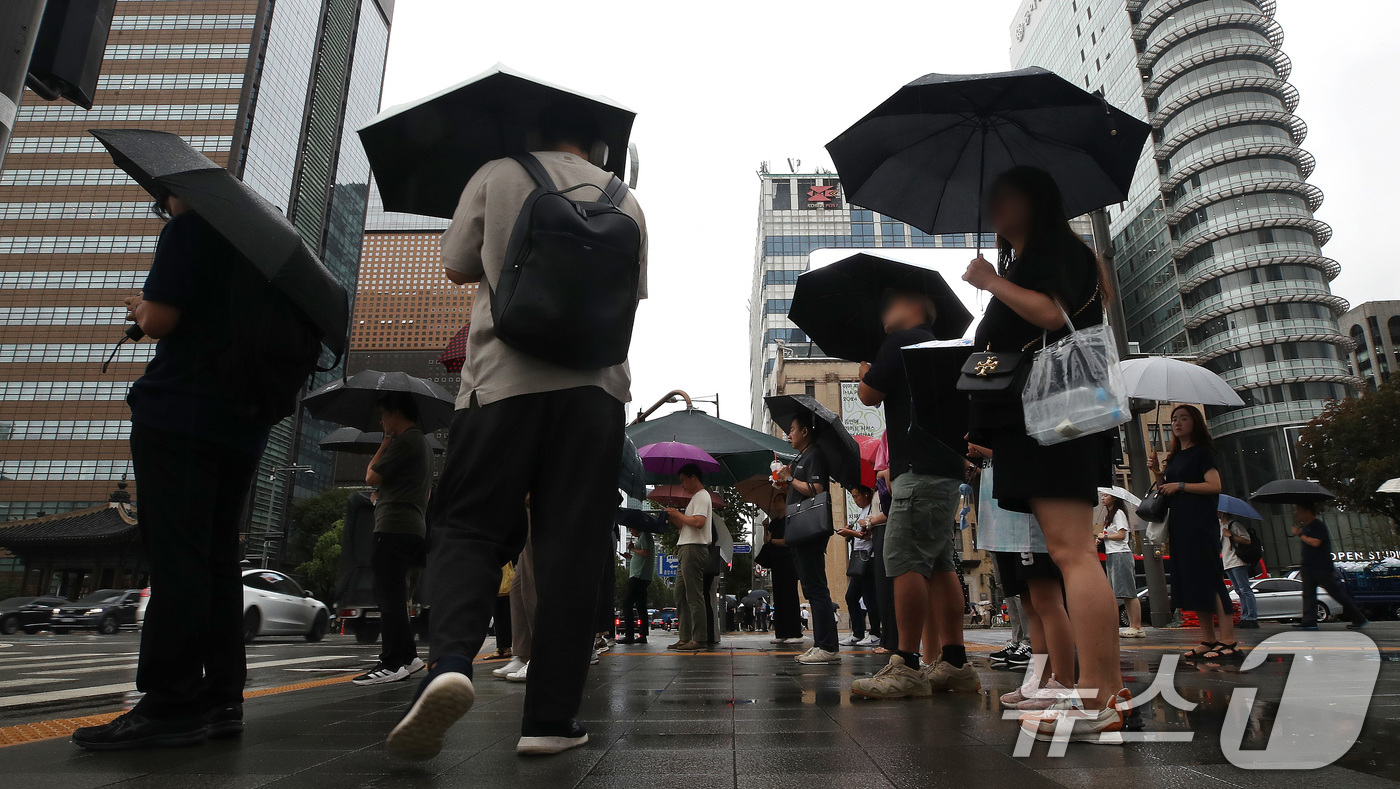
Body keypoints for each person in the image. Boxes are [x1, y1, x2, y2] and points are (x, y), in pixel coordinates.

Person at [387, 104, 647, 760]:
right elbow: (630, 296)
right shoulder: (629, 202)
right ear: (596, 142)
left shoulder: (498, 173)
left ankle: (449, 660)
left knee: (470, 527)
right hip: (596, 395)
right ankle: (551, 720)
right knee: (572, 550)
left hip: (502, 385)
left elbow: (454, 263)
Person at [73, 191, 271, 751]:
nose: (164, 201)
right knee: (215, 559)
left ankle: (169, 703)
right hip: (242, 425)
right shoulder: (256, 252)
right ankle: (221, 699)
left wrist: (141, 309)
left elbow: (161, 319)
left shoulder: (190, 231)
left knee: (177, 556)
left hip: (181, 414)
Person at [962, 166, 1127, 740]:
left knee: (1074, 553)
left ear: (1036, 200)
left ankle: (1101, 696)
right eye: (992, 199)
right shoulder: (1025, 264)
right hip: (1032, 424)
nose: (994, 208)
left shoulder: (1060, 254)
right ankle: (1091, 692)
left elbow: (1052, 315)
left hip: (1055, 420)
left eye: (1005, 196)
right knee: (1067, 554)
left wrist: (989, 282)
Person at [851, 291, 977, 699]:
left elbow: (869, 394)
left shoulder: (903, 342)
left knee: (904, 557)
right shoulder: (939, 351)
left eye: (894, 304)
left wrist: (865, 373)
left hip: (917, 470)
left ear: (920, 309)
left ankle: (905, 663)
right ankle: (955, 662)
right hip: (944, 468)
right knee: (940, 563)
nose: (887, 311)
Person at [354, 392, 433, 686]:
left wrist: (385, 443)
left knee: (388, 597)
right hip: (411, 527)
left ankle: (392, 662)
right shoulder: (421, 443)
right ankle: (409, 657)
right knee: (397, 595)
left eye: (384, 415)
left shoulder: (407, 441)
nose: (381, 421)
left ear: (396, 413)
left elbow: (371, 477)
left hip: (394, 528)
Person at [1149, 405, 1236, 660]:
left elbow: (1215, 485)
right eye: (1174, 419)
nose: (1177, 423)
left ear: (1195, 422)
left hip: (1200, 523)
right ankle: (1208, 639)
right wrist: (1157, 472)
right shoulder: (1175, 456)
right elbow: (1165, 490)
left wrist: (1181, 485)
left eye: (1183, 418)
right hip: (1180, 525)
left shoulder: (1202, 453)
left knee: (1210, 579)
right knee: (1193, 581)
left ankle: (1228, 639)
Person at [778, 412, 841, 664]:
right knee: (813, 588)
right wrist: (786, 484)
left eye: (792, 429)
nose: (789, 434)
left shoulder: (814, 455)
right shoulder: (803, 457)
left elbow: (817, 489)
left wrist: (790, 478)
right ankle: (824, 644)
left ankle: (827, 646)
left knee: (816, 588)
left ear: (805, 431)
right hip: (800, 532)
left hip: (809, 532)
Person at [1292, 502, 1367, 631]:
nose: (1296, 514)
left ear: (1308, 511)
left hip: (1321, 567)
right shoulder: (1306, 527)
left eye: (1299, 510)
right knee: (1308, 594)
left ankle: (1358, 617)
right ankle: (1309, 621)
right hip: (1308, 567)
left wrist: (1300, 535)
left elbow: (1316, 542)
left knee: (1335, 592)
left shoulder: (1318, 526)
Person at [665, 464, 712, 652]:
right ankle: (685, 637)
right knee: (680, 595)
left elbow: (699, 522)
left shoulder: (702, 496)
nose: (682, 484)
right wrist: (675, 517)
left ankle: (699, 638)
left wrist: (678, 514)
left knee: (693, 595)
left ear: (694, 477)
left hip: (694, 549)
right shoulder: (695, 498)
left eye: (684, 480)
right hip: (686, 547)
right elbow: (686, 527)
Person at [839, 484, 882, 647]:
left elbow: (869, 536)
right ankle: (858, 632)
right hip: (859, 558)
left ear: (866, 494)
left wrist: (850, 533)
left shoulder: (873, 509)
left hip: (869, 558)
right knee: (851, 596)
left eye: (857, 496)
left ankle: (875, 633)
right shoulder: (863, 511)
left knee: (870, 597)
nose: (855, 500)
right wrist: (850, 531)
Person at [1100, 492, 1144, 637]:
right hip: (1112, 554)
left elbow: (1121, 535)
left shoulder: (1119, 513)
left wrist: (1105, 536)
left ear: (1114, 497)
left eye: (1106, 495)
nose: (1103, 498)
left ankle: (1137, 626)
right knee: (1124, 593)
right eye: (1102, 495)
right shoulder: (1109, 515)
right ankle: (1133, 626)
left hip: (1121, 554)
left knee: (1129, 591)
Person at [761, 515, 804, 646]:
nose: (775, 503)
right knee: (778, 598)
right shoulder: (774, 522)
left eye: (778, 500)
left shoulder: (789, 520)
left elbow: (787, 541)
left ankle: (795, 632)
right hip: (776, 562)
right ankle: (781, 633)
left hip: (788, 561)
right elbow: (766, 540)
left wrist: (772, 540)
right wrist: (765, 528)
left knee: (789, 596)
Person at [1219, 511, 1258, 629]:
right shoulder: (1220, 526)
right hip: (1228, 562)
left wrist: (1230, 535)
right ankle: (1245, 616)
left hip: (1237, 561)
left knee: (1245, 589)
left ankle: (1251, 617)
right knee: (1239, 590)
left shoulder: (1234, 524)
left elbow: (1247, 540)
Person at [620, 525, 654, 644]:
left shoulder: (644, 535)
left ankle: (629, 635)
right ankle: (643, 634)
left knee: (627, 604)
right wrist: (630, 556)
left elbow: (646, 553)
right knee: (641, 605)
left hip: (638, 575)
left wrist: (632, 549)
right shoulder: (643, 536)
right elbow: (643, 555)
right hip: (643, 575)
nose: (631, 531)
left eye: (631, 528)